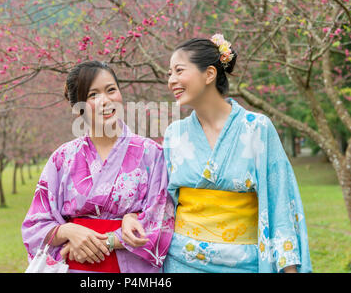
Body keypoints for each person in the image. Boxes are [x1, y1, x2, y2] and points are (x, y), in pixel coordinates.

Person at [123, 35, 312, 273]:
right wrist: (133, 217)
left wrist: (289, 268)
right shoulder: (175, 134)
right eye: (169, 74)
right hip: (182, 261)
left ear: (210, 74)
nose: (172, 81)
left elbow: (280, 202)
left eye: (179, 71)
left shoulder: (257, 128)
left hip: (244, 263)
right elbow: (161, 200)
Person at [21, 60, 174, 273]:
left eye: (111, 90)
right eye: (93, 95)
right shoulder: (63, 158)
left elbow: (160, 220)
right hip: (75, 266)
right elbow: (34, 225)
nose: (106, 100)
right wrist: (68, 230)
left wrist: (105, 240)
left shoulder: (151, 154)